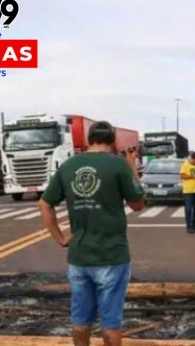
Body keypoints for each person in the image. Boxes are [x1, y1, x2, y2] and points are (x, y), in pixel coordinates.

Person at [38, 121, 145, 346]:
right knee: (111, 323)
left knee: (80, 319)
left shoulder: (69, 166)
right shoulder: (118, 165)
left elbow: (45, 204)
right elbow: (138, 204)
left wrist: (60, 237)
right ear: (113, 141)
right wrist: (133, 168)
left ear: (89, 140)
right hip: (111, 256)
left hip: (79, 256)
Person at [180, 152, 195, 233]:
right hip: (188, 190)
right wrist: (193, 176)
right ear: (193, 159)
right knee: (188, 209)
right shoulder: (185, 164)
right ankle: (189, 227)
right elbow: (182, 176)